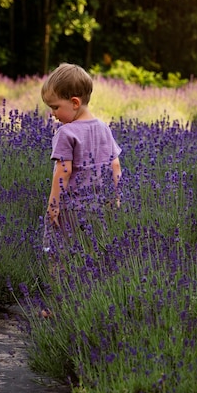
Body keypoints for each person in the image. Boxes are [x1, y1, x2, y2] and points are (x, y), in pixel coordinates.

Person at [41, 63, 122, 256]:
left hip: (71, 210)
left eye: (55, 107)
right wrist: (116, 197)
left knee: (59, 255)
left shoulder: (66, 132)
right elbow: (115, 164)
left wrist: (53, 205)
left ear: (75, 103)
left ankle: (58, 285)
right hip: (98, 208)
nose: (53, 114)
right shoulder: (103, 127)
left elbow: (64, 172)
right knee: (93, 254)